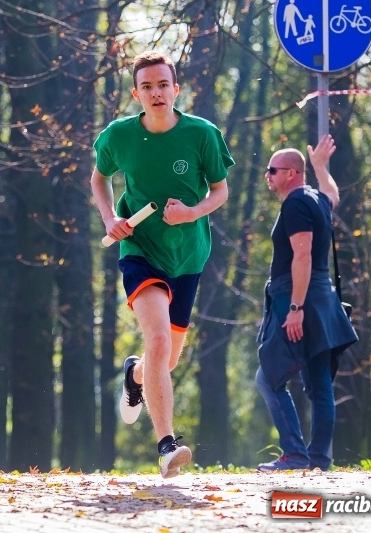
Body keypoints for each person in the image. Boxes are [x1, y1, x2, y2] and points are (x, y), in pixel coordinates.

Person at [90, 50, 234, 478]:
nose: (156, 93)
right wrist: (110, 219)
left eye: (163, 85)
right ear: (136, 94)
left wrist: (191, 213)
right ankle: (167, 445)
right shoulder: (118, 136)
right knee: (156, 340)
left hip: (188, 255)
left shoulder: (202, 134)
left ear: (176, 89)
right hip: (140, 249)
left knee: (163, 360)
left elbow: (220, 190)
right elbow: (99, 178)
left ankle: (134, 376)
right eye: (147, 87)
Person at [255, 135, 358, 471]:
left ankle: (296, 454)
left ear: (291, 174)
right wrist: (321, 167)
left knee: (268, 378)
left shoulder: (296, 204)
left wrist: (296, 309)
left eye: (272, 170)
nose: (267, 175)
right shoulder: (314, 197)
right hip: (322, 300)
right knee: (319, 385)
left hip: (301, 300)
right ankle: (318, 459)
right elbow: (333, 195)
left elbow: (302, 256)